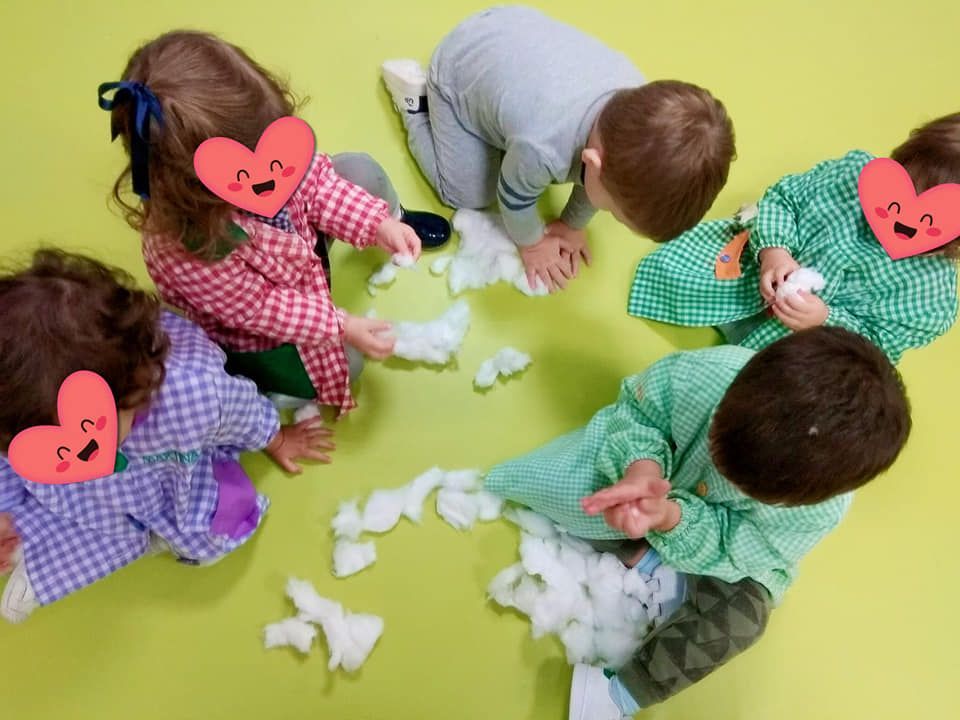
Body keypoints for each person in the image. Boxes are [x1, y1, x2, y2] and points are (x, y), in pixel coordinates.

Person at [485, 327, 911, 717]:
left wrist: (671, 517)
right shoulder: (705, 375)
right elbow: (638, 411)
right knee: (572, 489)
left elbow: (735, 548)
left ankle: (622, 692)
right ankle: (643, 551)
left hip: (726, 550)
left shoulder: (816, 514)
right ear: (741, 381)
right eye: (717, 440)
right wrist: (641, 470)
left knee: (743, 620)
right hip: (652, 480)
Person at [99, 30, 452, 419]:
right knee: (348, 365)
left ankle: (395, 219)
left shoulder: (270, 151)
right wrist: (341, 324)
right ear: (194, 189)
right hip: (259, 323)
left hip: (297, 247)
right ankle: (268, 390)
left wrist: (376, 224)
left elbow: (317, 183)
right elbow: (262, 307)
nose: (277, 173)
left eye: (278, 155)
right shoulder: (188, 249)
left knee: (358, 169)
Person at [0, 251, 332, 623]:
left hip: (162, 475)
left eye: (93, 427)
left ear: (138, 385)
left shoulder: (192, 397)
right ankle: (42, 539)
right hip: (84, 492)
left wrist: (276, 437)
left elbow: (240, 410)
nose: (83, 451)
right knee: (42, 495)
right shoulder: (20, 411)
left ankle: (58, 558)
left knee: (214, 533)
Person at [382, 5, 735, 292]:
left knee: (574, 171)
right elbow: (514, 197)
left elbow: (595, 180)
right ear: (592, 163)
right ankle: (415, 104)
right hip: (458, 67)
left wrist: (571, 223)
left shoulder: (635, 100)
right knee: (467, 194)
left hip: (510, 25)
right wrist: (532, 243)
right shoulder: (544, 148)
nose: (606, 213)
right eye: (613, 211)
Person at [628, 112, 960, 364]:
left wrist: (826, 319)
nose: (905, 216)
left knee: (764, 400)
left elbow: (879, 345)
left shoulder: (932, 294)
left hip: (805, 344)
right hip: (750, 275)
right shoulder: (854, 176)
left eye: (931, 219)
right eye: (904, 191)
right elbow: (785, 199)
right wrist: (774, 252)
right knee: (671, 272)